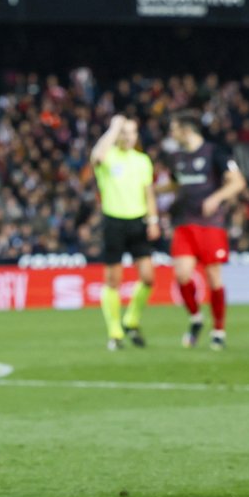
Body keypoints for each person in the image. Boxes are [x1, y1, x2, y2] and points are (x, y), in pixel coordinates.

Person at [166, 110, 246, 350]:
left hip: (210, 225)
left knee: (213, 278)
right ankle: (195, 318)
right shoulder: (176, 157)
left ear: (186, 130)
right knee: (181, 275)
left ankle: (218, 329)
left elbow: (238, 182)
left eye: (174, 128)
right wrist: (152, 191)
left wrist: (216, 198)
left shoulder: (215, 152)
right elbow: (174, 184)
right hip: (184, 223)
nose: (171, 133)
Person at [90, 116, 159, 350]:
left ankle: (131, 319)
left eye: (132, 132)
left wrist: (153, 220)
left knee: (148, 277)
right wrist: (113, 127)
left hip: (138, 222)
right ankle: (115, 333)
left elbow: (148, 193)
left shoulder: (142, 161)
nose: (128, 137)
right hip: (114, 222)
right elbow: (97, 156)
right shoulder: (108, 157)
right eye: (124, 132)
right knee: (113, 280)